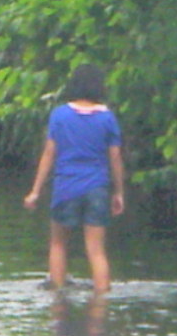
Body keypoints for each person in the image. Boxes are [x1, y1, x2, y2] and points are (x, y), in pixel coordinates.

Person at [23, 63, 125, 294]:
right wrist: (118, 192)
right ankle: (101, 298)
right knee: (96, 250)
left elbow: (49, 153)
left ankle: (57, 296)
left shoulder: (60, 115)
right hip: (97, 188)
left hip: (66, 187)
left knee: (58, 245)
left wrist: (36, 191)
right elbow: (115, 158)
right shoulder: (108, 119)